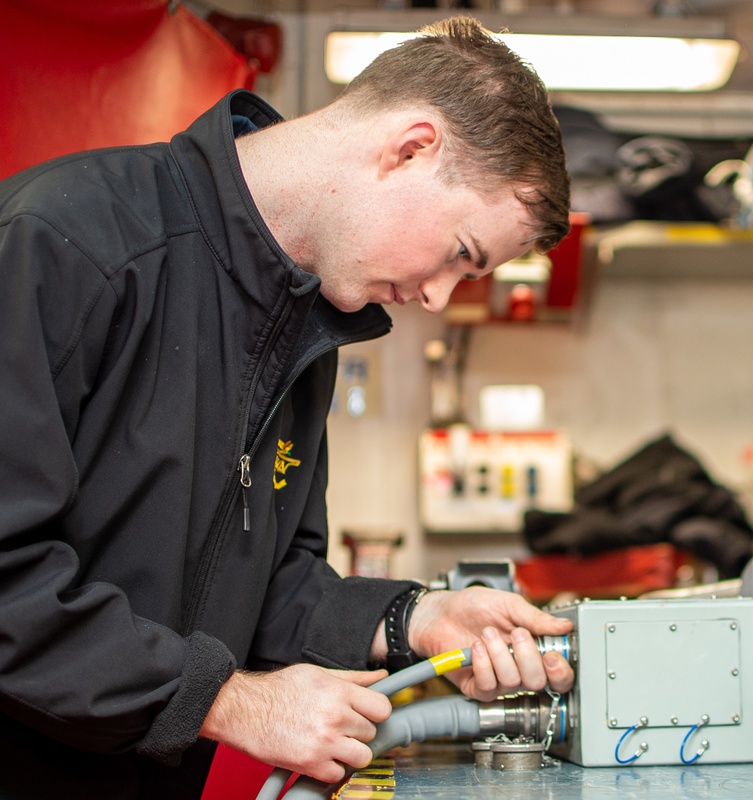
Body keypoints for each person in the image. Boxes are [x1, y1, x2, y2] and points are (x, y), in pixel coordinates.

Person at [0, 15, 573, 799]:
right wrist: (228, 700)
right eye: (461, 255)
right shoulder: (66, 241)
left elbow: (267, 591)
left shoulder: (306, 324)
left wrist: (416, 620)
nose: (438, 298)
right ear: (411, 147)